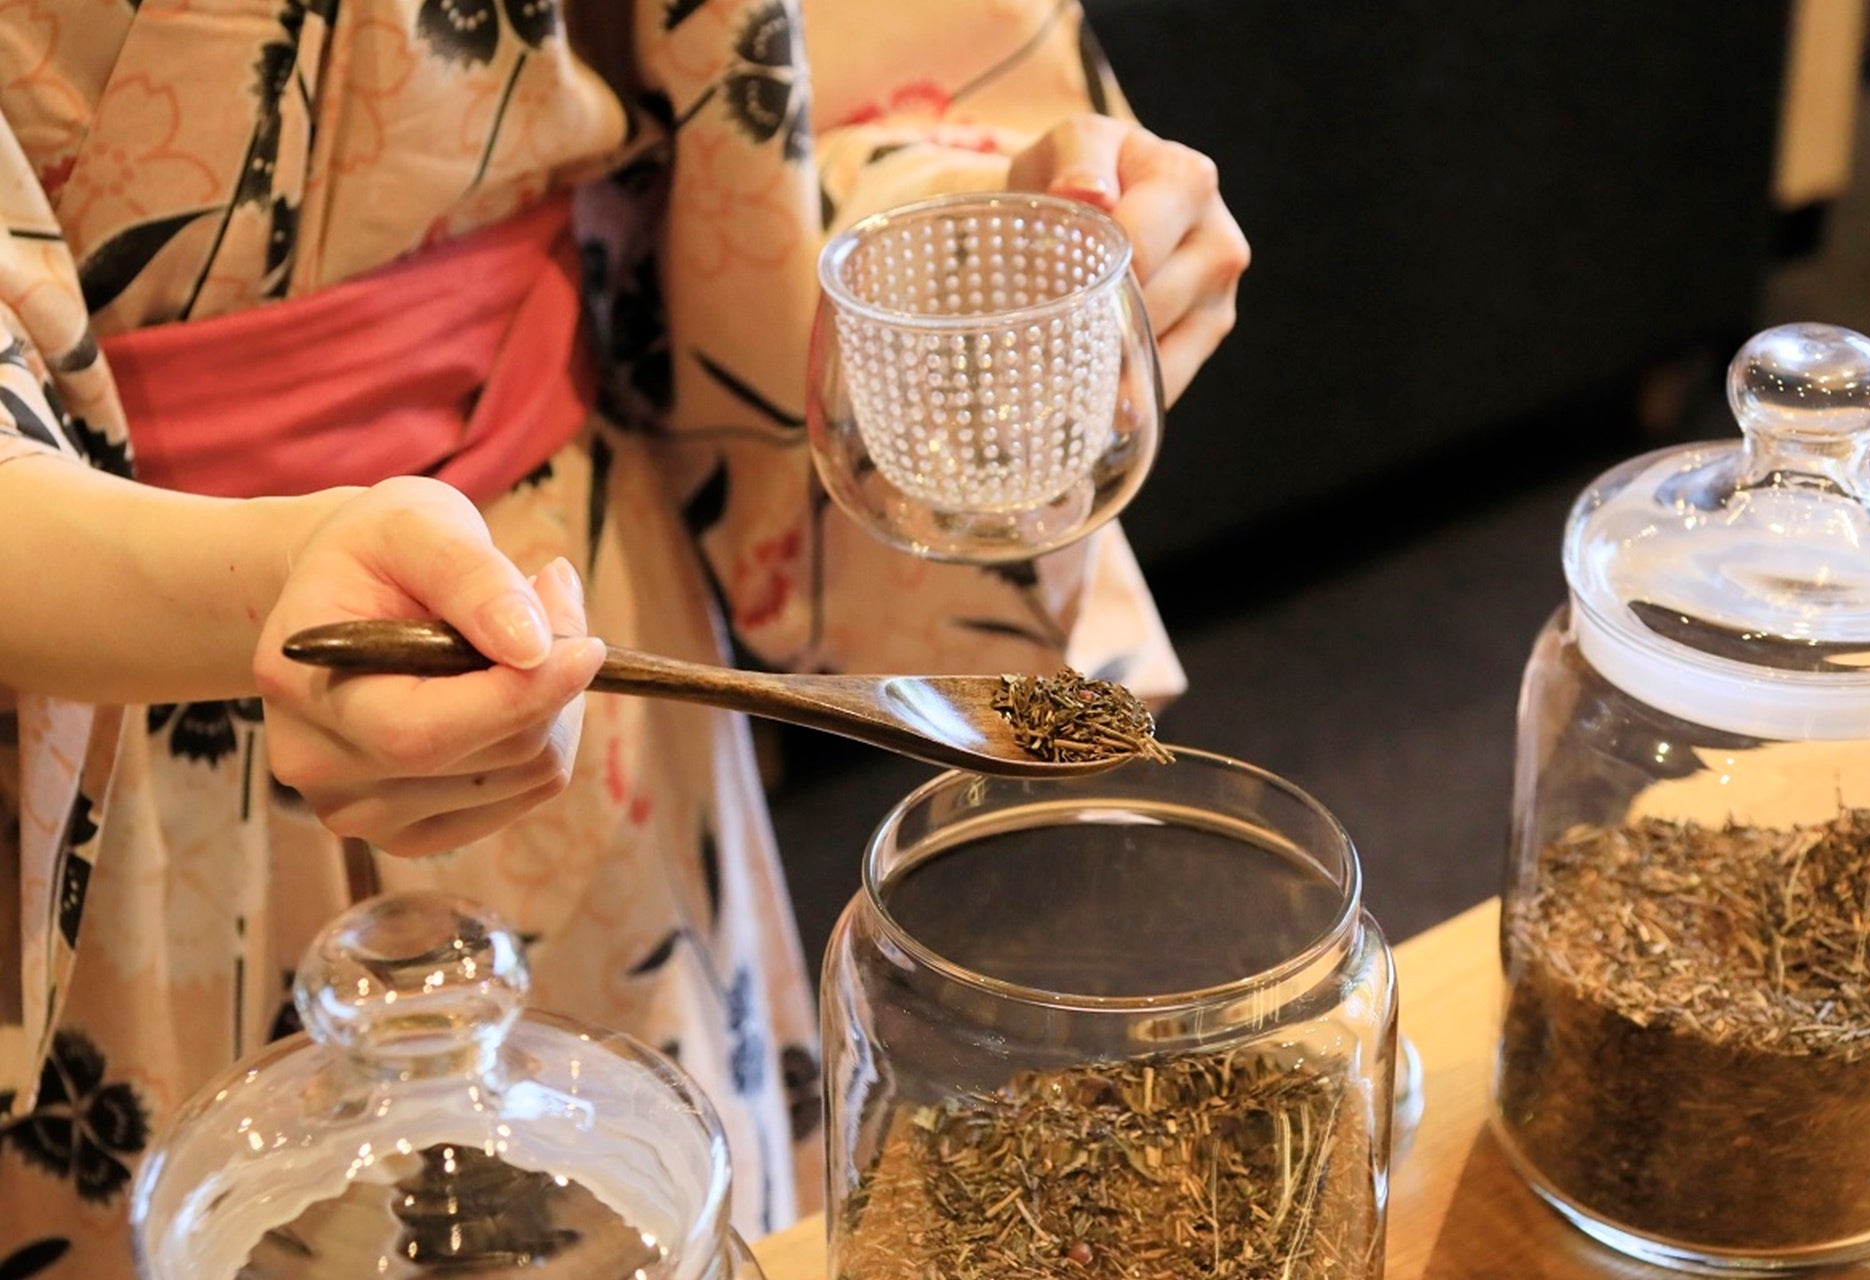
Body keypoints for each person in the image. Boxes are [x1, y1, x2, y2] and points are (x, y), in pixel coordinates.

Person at [0, 0, 1248, 1271]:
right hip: (96, 718)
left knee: (654, 1173)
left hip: (567, 631)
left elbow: (775, 102)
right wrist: (261, 580)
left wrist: (972, 253)